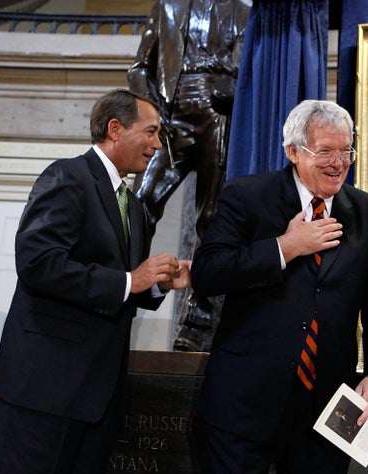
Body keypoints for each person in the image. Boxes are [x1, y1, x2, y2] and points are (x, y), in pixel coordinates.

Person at [0, 89, 192, 474]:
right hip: (44, 395)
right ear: (115, 129)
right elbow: (39, 263)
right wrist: (131, 279)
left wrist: (160, 283)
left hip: (97, 400)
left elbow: (127, 286)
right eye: (150, 132)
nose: (157, 145)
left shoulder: (134, 205)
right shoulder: (68, 177)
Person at [191, 99, 368, 473]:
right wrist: (284, 248)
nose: (338, 163)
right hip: (244, 404)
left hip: (325, 413)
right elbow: (206, 274)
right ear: (293, 152)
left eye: (345, 151)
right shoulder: (247, 196)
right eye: (325, 152)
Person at [127, 0, 251, 352]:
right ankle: (119, 294)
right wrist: (155, 111)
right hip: (170, 115)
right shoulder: (167, 6)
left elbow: (257, 69)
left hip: (220, 113)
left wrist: (236, 88)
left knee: (213, 216)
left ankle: (198, 322)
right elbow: (139, 69)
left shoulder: (247, 10)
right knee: (141, 203)